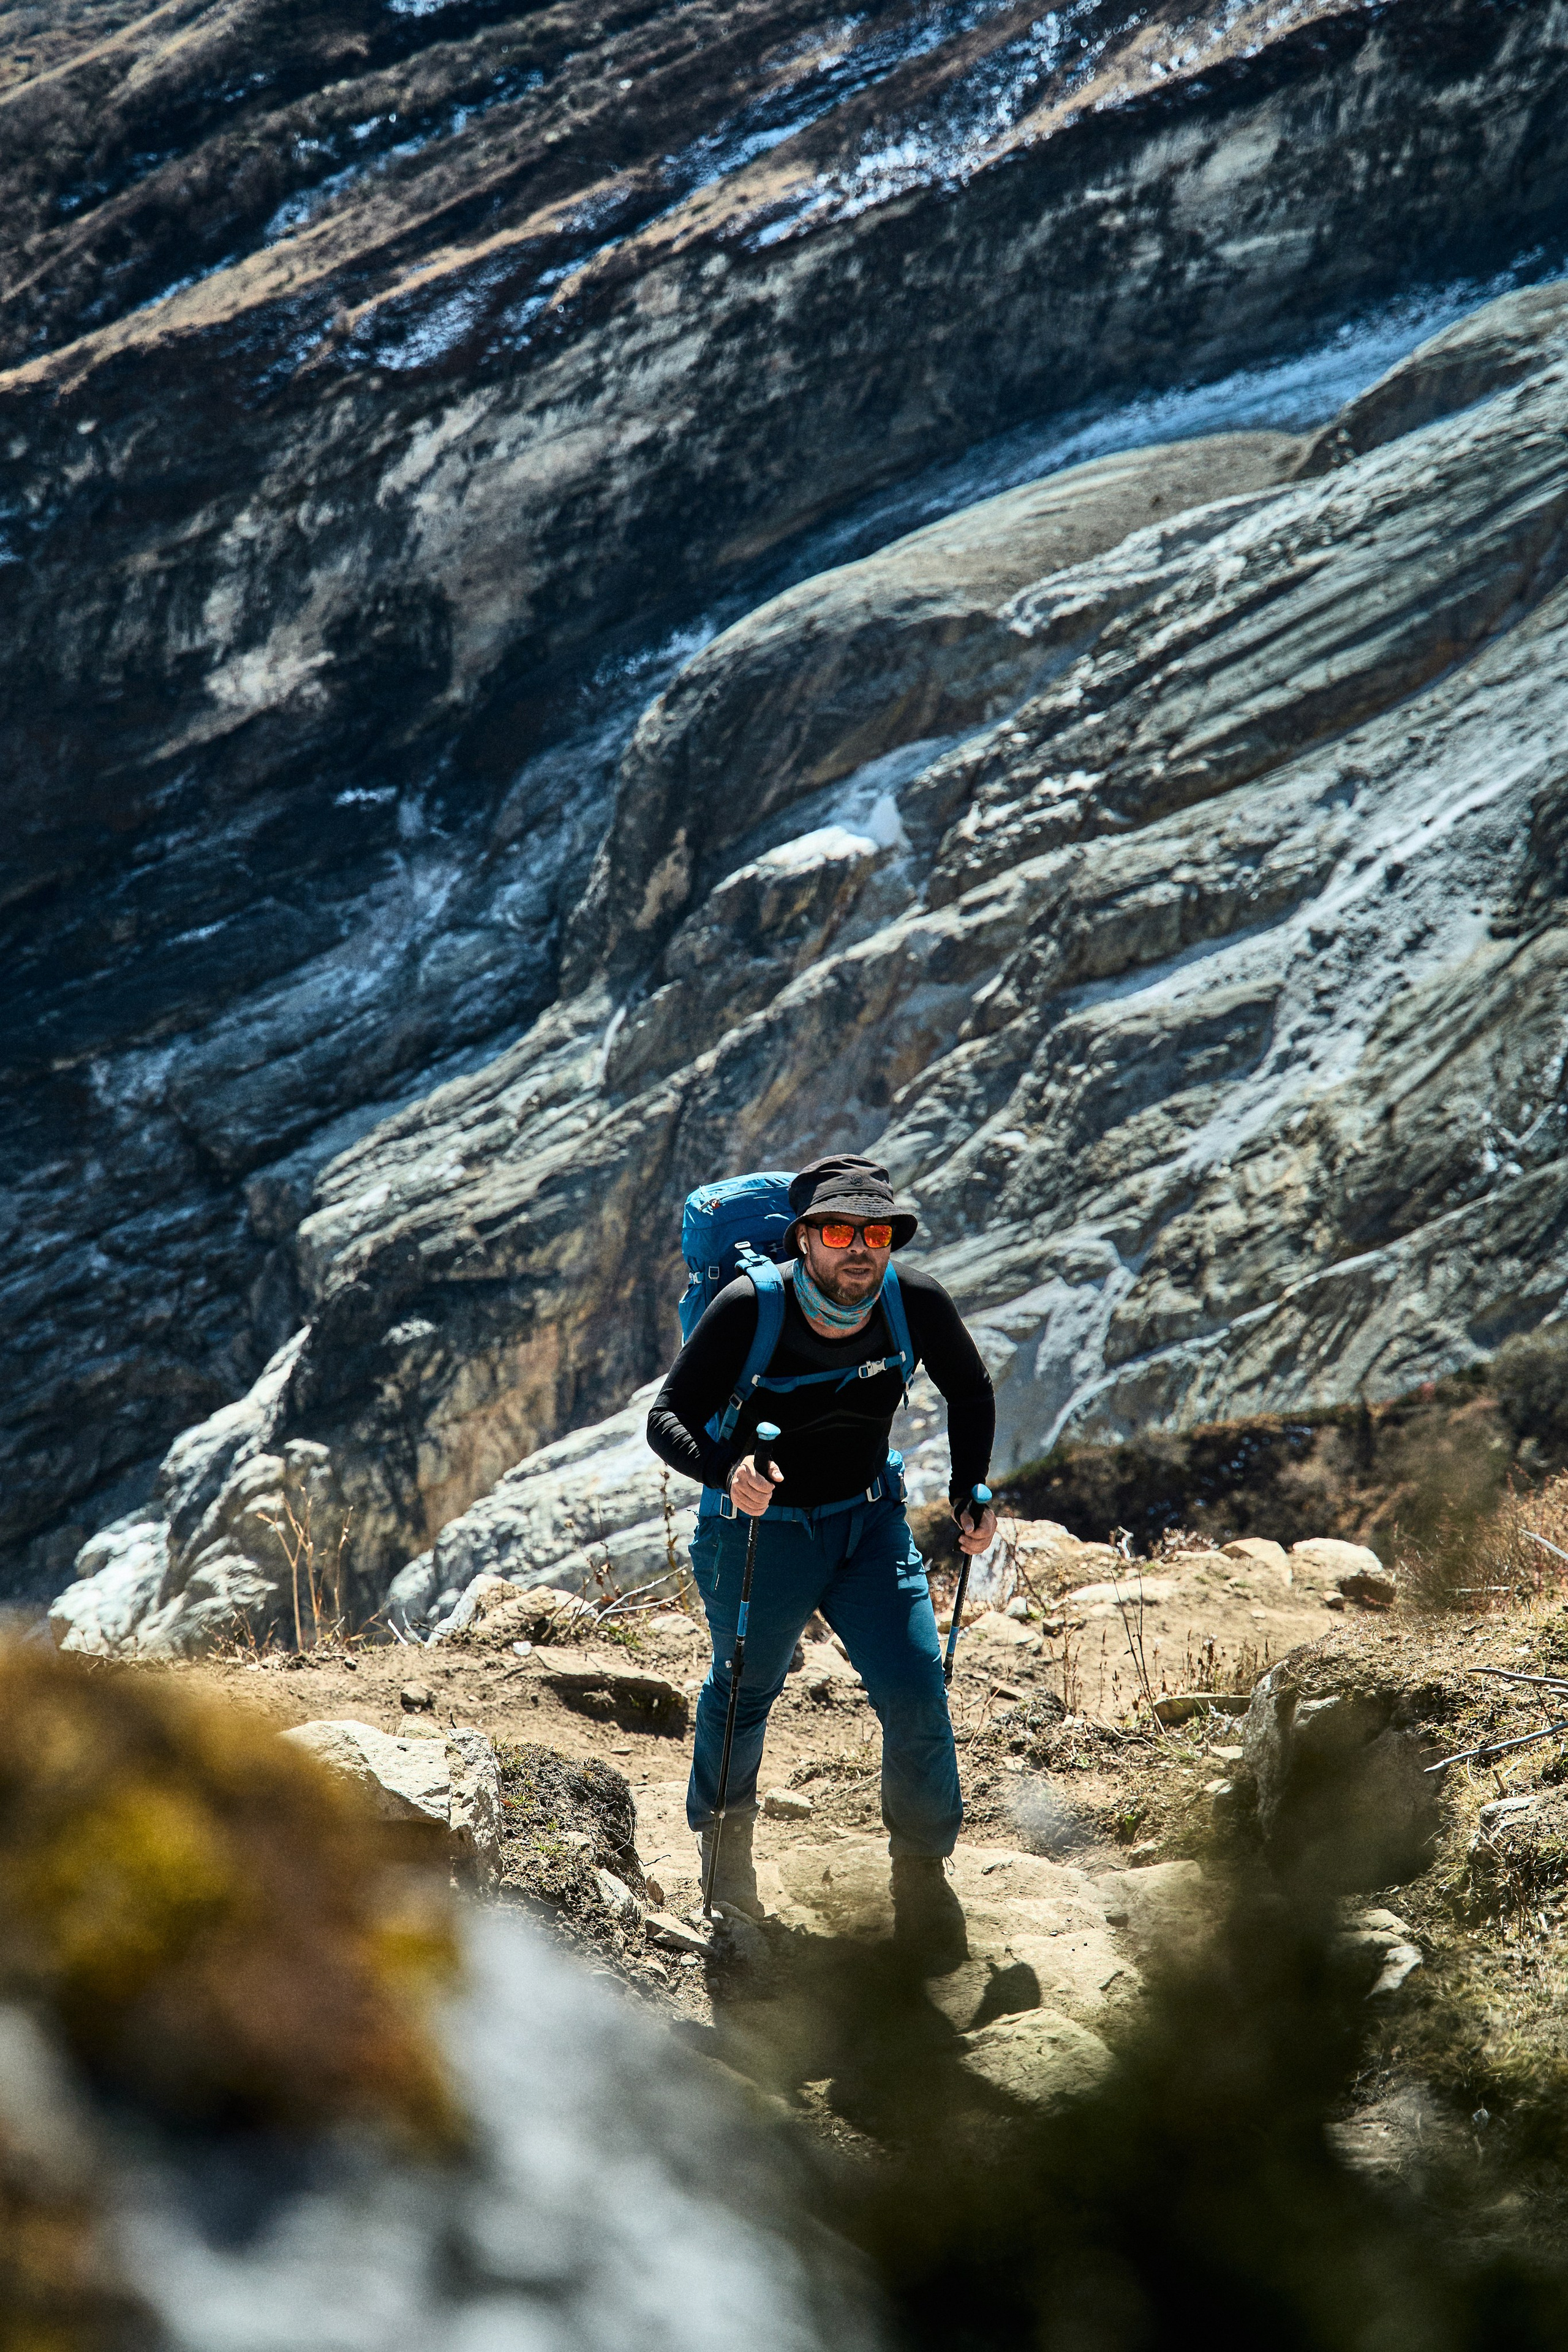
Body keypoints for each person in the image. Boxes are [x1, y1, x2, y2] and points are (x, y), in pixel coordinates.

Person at [647, 1154, 998, 1960]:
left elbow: (970, 1387)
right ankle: (725, 1859)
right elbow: (670, 1416)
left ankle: (922, 1873)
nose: (860, 1249)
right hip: (759, 1534)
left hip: (870, 1526)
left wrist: (973, 1491)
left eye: (876, 1233)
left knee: (915, 1691)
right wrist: (724, 1471)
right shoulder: (747, 1309)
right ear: (803, 1239)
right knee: (743, 1696)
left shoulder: (912, 1300)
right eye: (839, 1231)